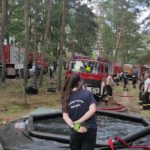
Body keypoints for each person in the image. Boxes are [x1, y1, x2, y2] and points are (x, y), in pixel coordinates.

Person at [61, 73, 97, 150]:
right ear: (79, 82)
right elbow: (93, 110)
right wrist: (79, 122)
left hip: (75, 130)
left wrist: (75, 126)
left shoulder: (66, 97)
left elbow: (65, 116)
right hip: (90, 129)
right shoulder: (87, 93)